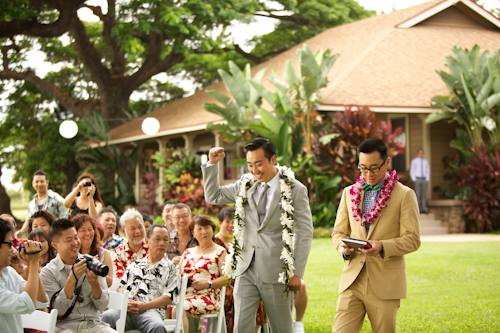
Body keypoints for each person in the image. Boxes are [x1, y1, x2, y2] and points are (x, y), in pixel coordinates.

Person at [202, 138, 314, 333]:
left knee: (282, 328)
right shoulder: (244, 184)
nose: (254, 170)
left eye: (259, 164)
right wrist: (212, 164)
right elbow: (214, 196)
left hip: (276, 270)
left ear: (272, 159)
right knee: (241, 327)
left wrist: (297, 273)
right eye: (250, 164)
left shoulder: (296, 189)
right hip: (245, 269)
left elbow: (304, 233)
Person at [331, 138, 421, 333]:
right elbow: (338, 232)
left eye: (374, 168)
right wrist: (343, 248)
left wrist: (383, 246)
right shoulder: (349, 193)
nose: (368, 174)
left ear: (387, 163)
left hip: (385, 283)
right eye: (363, 168)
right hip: (352, 280)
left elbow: (413, 239)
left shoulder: (405, 195)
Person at [40, 218, 116, 333]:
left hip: (94, 325)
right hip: (64, 328)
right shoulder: (48, 272)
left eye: (76, 237)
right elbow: (58, 311)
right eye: (68, 240)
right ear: (55, 245)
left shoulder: (92, 264)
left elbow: (103, 306)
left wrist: (95, 284)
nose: (75, 243)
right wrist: (73, 278)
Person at [102, 224, 181, 333]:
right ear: (147, 241)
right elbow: (121, 288)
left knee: (157, 326)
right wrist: (127, 303)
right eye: (157, 239)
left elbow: (169, 296)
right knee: (106, 316)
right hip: (126, 310)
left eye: (165, 240)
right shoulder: (134, 265)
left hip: (151, 312)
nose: (162, 243)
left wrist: (144, 306)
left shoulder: (172, 268)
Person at [214, 207, 268, 333]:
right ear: (220, 223)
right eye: (227, 221)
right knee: (237, 296)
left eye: (235, 221)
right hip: (222, 285)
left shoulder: (244, 242)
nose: (231, 225)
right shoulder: (214, 243)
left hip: (245, 281)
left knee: (255, 294)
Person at [177, 215, 227, 333]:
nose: (204, 231)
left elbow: (227, 278)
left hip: (207, 296)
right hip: (183, 295)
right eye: (199, 229)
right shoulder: (188, 252)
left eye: (207, 227)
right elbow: (177, 274)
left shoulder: (221, 252)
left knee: (177, 309)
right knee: (166, 309)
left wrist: (207, 284)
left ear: (213, 230)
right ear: (193, 233)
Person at [0, 218, 49, 333]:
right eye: (9, 244)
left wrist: (33, 264)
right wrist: (32, 264)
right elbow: (26, 304)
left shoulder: (9, 272)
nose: (13, 250)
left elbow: (40, 301)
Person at [19, 170, 67, 236]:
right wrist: (20, 232)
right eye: (36, 182)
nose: (39, 184)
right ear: (33, 183)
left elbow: (65, 219)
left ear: (47, 182)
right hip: (37, 237)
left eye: (42, 181)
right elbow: (28, 220)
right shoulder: (32, 203)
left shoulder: (58, 199)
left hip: (54, 237)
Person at [73, 214, 114, 287]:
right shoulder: (71, 254)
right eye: (83, 230)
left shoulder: (104, 254)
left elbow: (109, 283)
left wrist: (96, 268)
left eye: (90, 229)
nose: (87, 233)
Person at [111, 208, 149, 279]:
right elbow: (121, 281)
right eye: (132, 228)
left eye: (140, 227)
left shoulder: (154, 248)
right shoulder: (117, 253)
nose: (137, 231)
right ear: (123, 231)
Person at [410, 148, 430, 214]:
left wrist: (427, 179)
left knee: (424, 194)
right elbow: (412, 171)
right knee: (417, 194)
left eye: (422, 153)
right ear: (418, 153)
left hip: (424, 179)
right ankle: (418, 208)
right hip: (417, 178)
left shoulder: (425, 161)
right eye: (420, 153)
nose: (421, 154)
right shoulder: (414, 161)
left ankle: (423, 208)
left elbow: (427, 170)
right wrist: (414, 179)